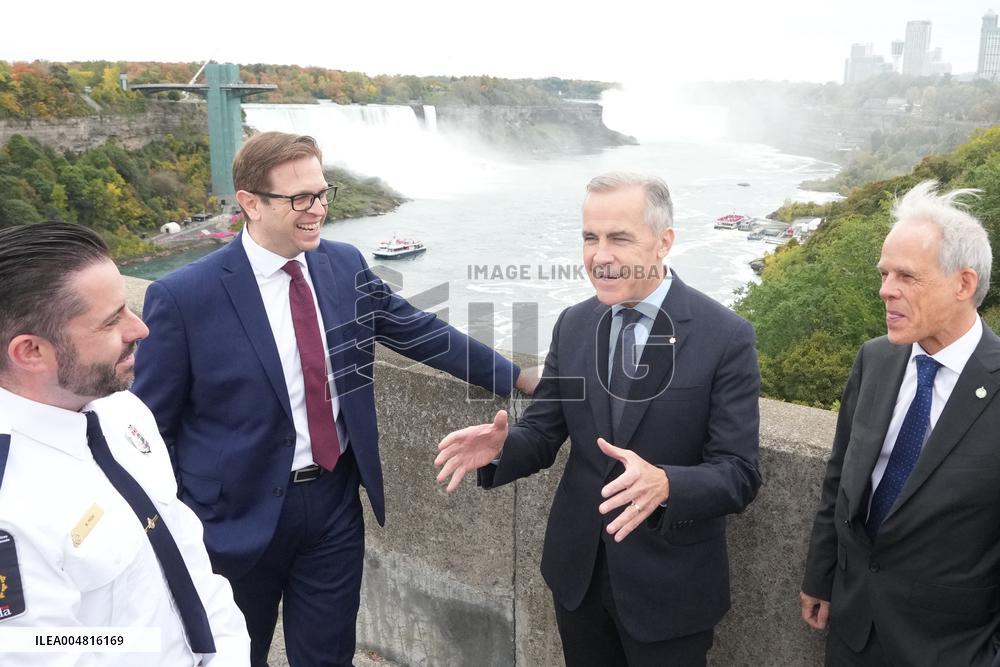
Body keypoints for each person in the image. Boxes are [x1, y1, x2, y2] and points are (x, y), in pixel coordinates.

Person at [132, 131, 534, 666]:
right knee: (230, 655)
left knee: (327, 657)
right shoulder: (184, 296)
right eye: (300, 199)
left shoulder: (344, 265)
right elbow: (149, 426)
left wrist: (515, 376)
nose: (317, 209)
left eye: (323, 194)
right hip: (228, 516)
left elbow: (420, 333)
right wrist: (181, 519)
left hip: (332, 505)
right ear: (250, 203)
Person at [435, 173, 762, 666]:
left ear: (664, 242)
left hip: (669, 590)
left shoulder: (725, 336)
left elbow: (739, 472)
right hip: (579, 574)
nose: (599, 255)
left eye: (619, 238)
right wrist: (503, 448)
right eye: (591, 237)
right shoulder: (575, 323)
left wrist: (666, 484)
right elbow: (544, 432)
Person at [0, 222, 249, 665]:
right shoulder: (10, 501)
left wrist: (228, 654)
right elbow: (40, 651)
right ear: (31, 352)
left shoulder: (122, 411)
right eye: (112, 319)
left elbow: (188, 557)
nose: (141, 329)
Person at [800, 180, 1000, 666]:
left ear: (963, 284)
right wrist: (821, 575)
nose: (885, 290)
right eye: (884, 273)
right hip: (852, 630)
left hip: (953, 648)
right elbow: (840, 475)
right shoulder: (876, 359)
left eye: (907, 277)